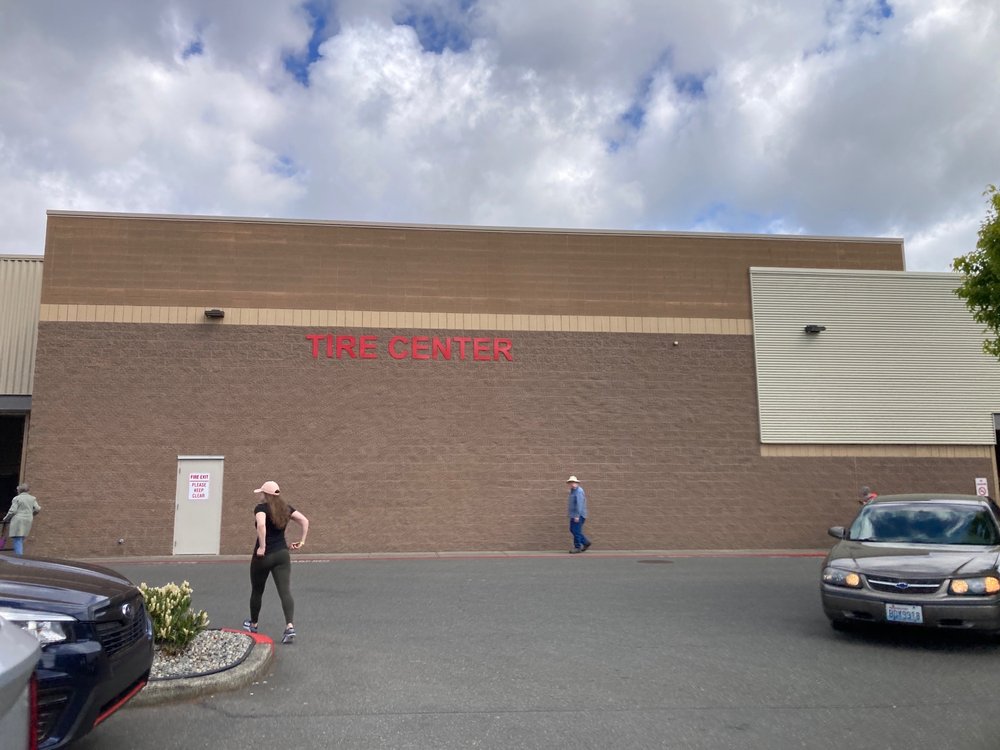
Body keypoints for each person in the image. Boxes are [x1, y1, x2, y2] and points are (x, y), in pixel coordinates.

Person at [243, 480, 309, 644]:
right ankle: (289, 626)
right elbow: (304, 521)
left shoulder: (261, 509)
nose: (260, 495)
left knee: (257, 590)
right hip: (282, 555)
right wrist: (301, 541)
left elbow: (261, 526)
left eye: (261, 493)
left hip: (263, 557)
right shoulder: (286, 508)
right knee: (285, 591)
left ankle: (253, 624)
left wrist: (262, 547)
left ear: (266, 495)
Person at [3, 483, 41, 556]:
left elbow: (12, 511)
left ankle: (19, 557)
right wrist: (31, 514)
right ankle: (19, 555)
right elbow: (37, 509)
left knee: (17, 539)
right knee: (21, 538)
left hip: (18, 520)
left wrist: (6, 518)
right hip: (28, 519)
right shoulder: (32, 498)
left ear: (19, 490)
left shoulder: (17, 498)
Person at [566, 475, 591, 553]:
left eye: (573, 482)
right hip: (574, 515)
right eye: (571, 482)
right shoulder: (572, 491)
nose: (572, 484)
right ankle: (585, 542)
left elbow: (579, 504)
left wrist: (577, 515)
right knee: (573, 529)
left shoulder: (579, 491)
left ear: (577, 483)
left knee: (576, 531)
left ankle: (577, 547)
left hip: (578, 515)